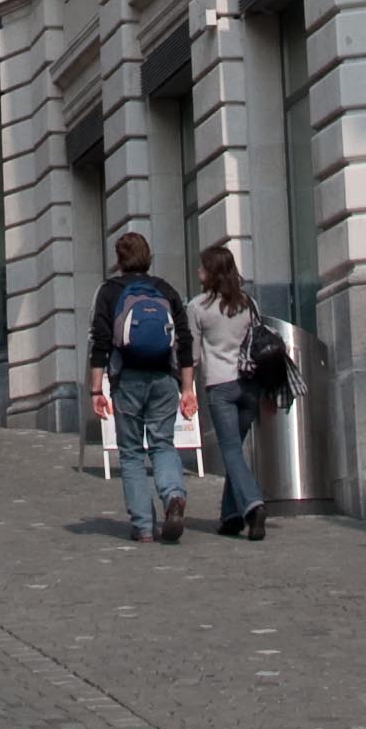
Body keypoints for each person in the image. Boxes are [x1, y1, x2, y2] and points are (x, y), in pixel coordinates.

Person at [89, 230, 198, 545]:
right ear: (148, 257)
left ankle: (144, 527)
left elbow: (100, 341)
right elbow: (185, 340)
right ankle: (174, 494)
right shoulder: (165, 289)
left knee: (132, 453)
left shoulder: (109, 291)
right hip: (164, 378)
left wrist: (97, 390)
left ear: (119, 260)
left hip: (128, 379)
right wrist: (187, 388)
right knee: (164, 444)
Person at [189, 242, 267, 538]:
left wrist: (185, 386)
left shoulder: (198, 307)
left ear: (212, 272)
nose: (198, 270)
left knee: (231, 451)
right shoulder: (249, 303)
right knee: (235, 449)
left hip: (220, 387)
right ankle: (231, 515)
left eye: (202, 266)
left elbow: (192, 355)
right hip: (250, 385)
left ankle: (253, 505)